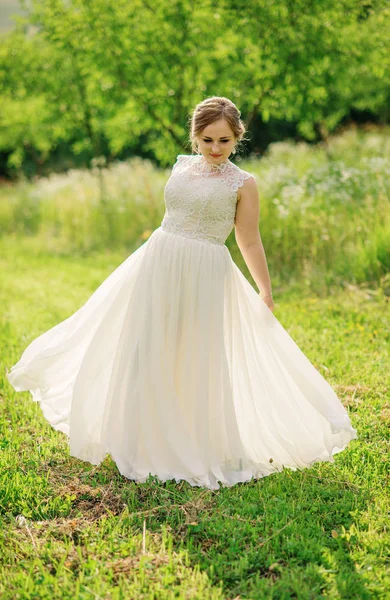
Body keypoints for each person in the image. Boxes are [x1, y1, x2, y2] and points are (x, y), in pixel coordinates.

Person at [6, 96, 358, 490]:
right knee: (146, 344)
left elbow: (249, 239)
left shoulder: (243, 184)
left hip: (205, 272)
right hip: (159, 261)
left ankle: (190, 439)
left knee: (194, 353)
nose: (214, 149)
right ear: (195, 136)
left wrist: (265, 290)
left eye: (223, 140)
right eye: (207, 139)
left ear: (237, 137)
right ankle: (136, 434)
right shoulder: (182, 166)